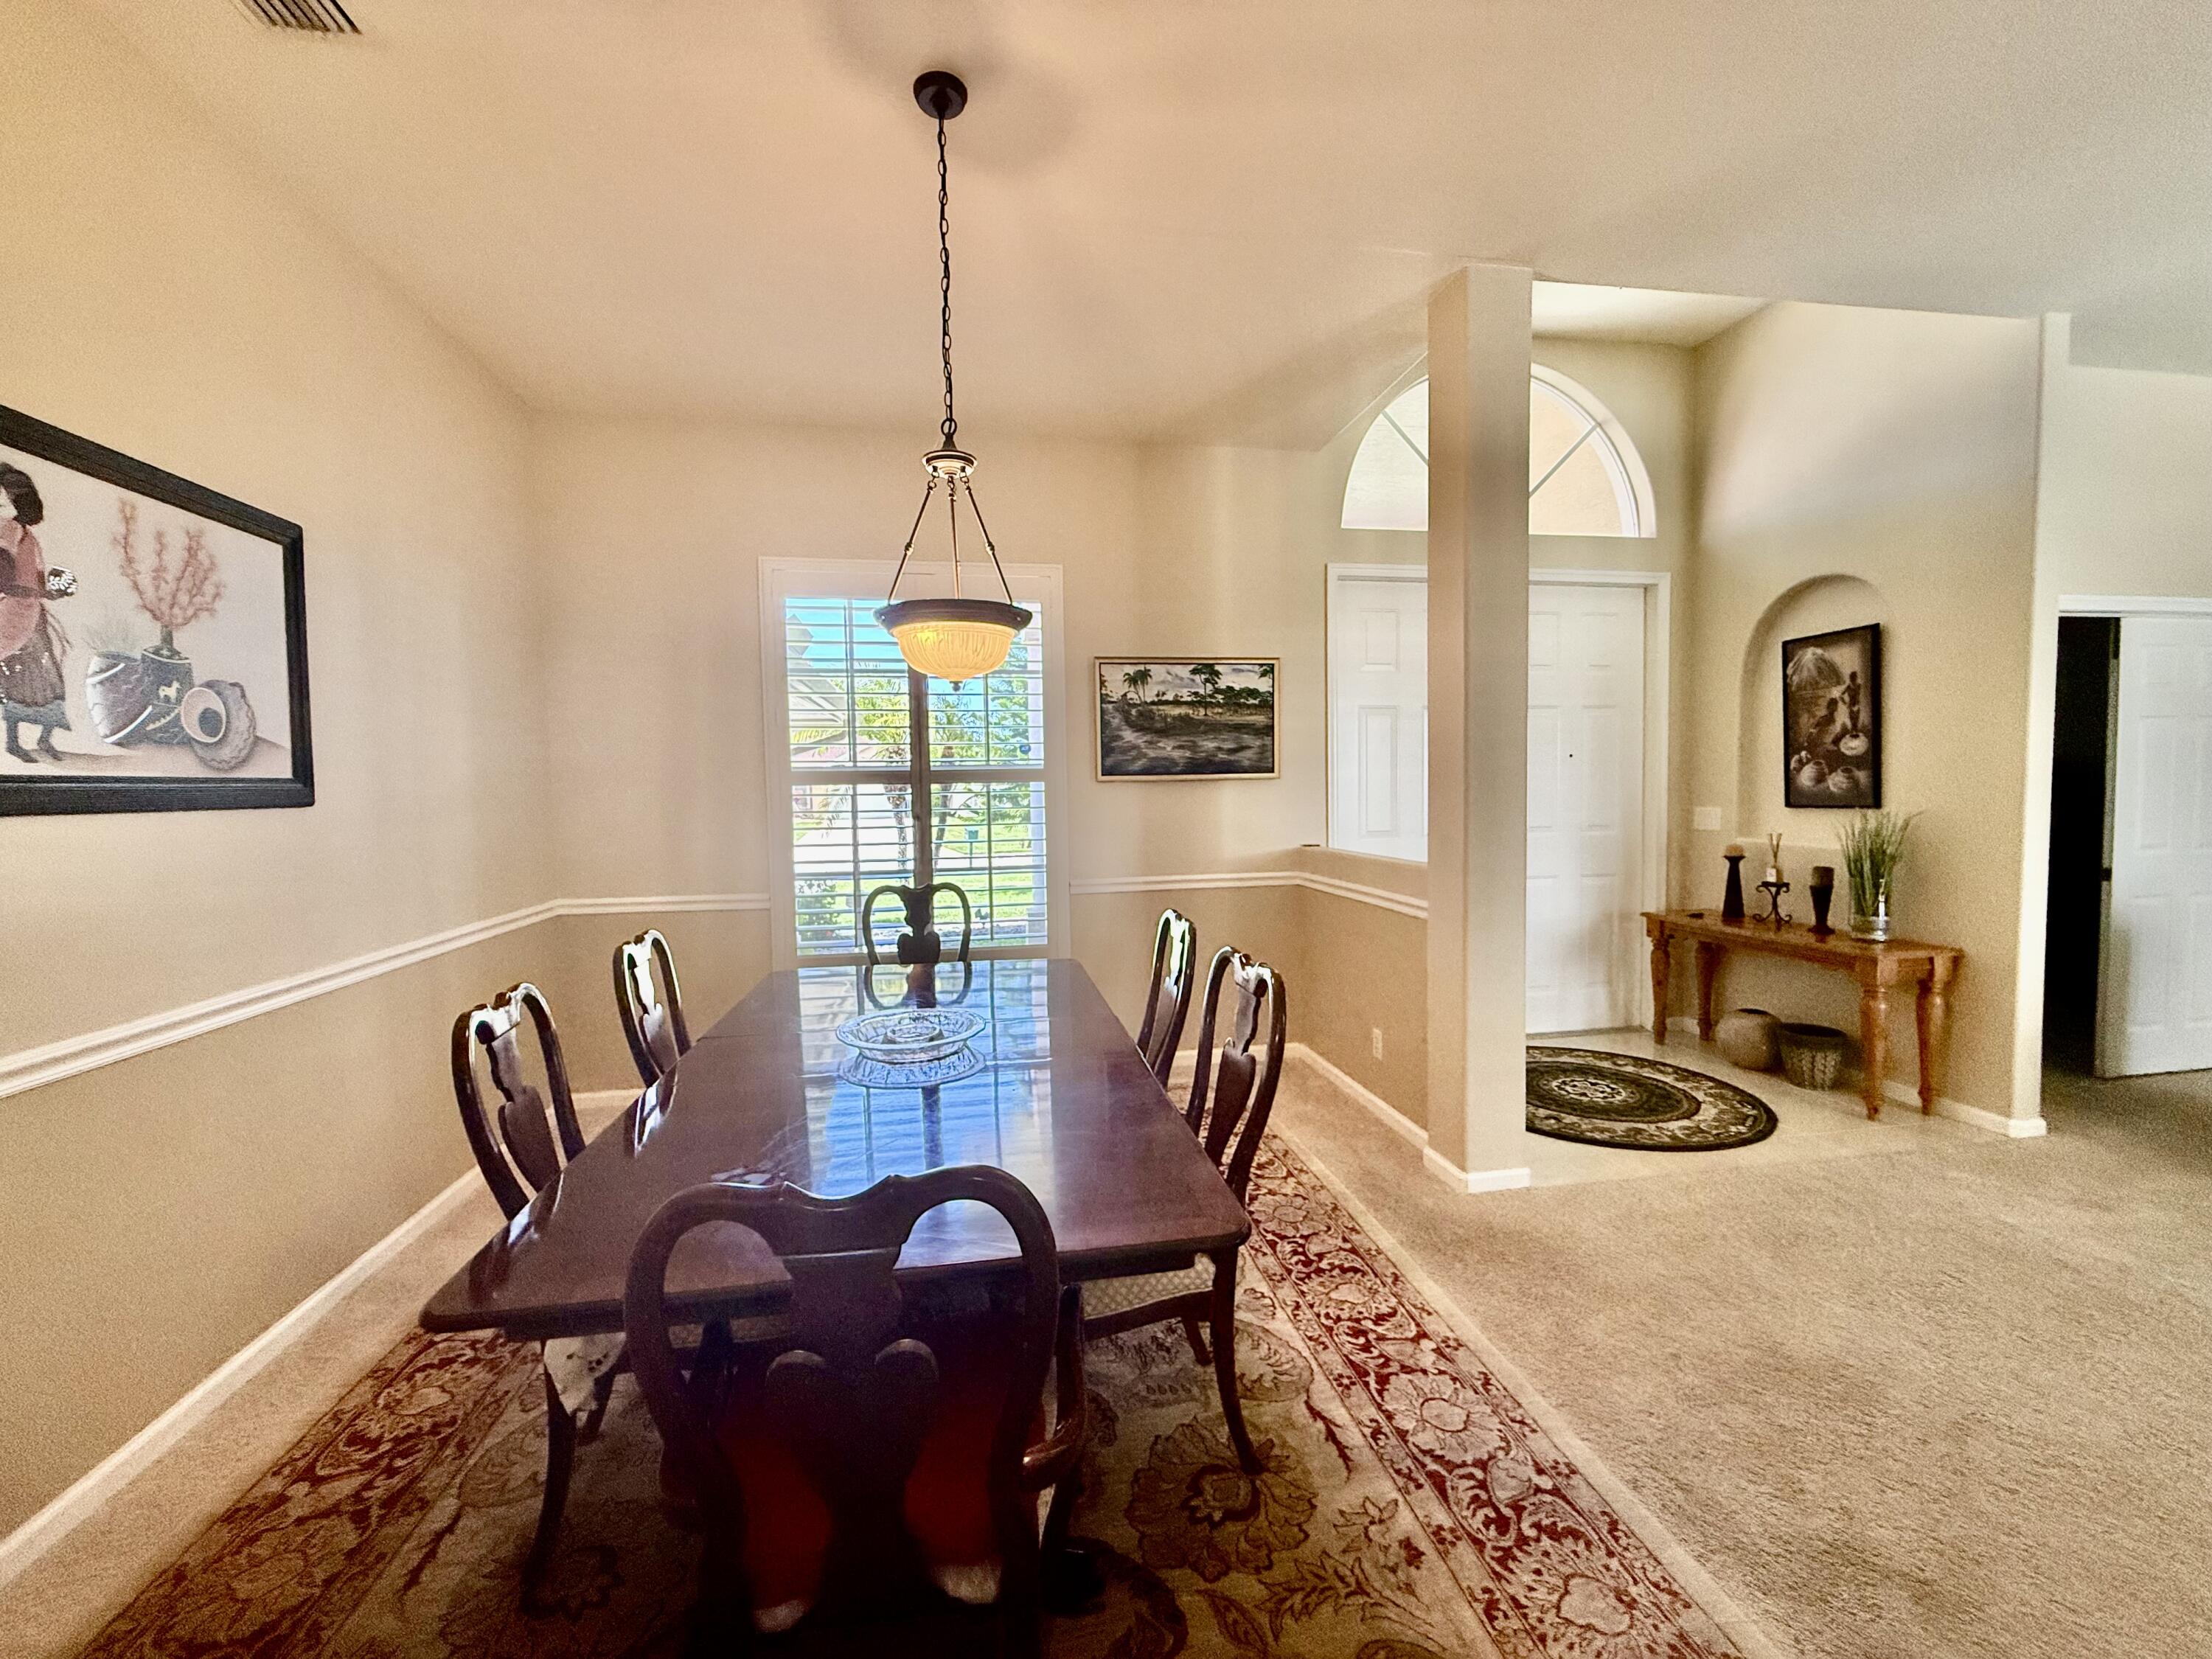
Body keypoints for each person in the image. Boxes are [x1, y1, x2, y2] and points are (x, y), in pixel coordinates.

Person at [0, 462, 76, 762]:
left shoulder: (30, 537)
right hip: (10, 614)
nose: (35, 508)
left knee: (49, 676)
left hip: (32, 614)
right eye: (29, 502)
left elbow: (39, 579)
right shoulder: (8, 529)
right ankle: (14, 742)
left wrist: (54, 590)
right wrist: (27, 592)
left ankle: (45, 738)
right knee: (17, 678)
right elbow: (3, 573)